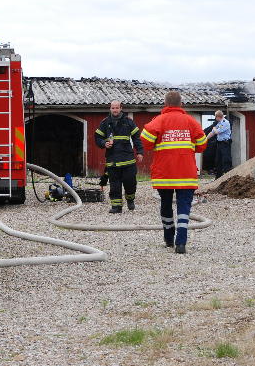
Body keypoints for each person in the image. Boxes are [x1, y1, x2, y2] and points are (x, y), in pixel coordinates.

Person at [140, 91, 207, 254]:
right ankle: (181, 243)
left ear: (165, 104)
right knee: (184, 207)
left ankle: (169, 238)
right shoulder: (191, 121)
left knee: (166, 204)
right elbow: (203, 143)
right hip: (186, 173)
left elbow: (145, 141)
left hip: (165, 173)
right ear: (181, 104)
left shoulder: (159, 121)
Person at [95, 101, 144, 213]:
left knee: (130, 183)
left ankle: (130, 200)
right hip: (112, 160)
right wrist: (104, 143)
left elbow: (136, 138)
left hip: (128, 160)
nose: (115, 110)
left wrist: (140, 152)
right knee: (114, 185)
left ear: (121, 108)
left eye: (117, 108)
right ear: (110, 109)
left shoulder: (128, 122)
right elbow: (97, 138)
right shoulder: (105, 123)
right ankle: (116, 207)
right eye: (113, 108)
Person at [206, 110, 232, 179]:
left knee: (226, 160)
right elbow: (212, 133)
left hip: (225, 143)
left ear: (218, 116)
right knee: (218, 161)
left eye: (215, 117)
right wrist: (205, 139)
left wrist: (214, 128)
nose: (215, 118)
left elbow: (217, 132)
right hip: (219, 144)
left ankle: (228, 177)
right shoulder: (219, 123)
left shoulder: (225, 122)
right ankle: (218, 177)